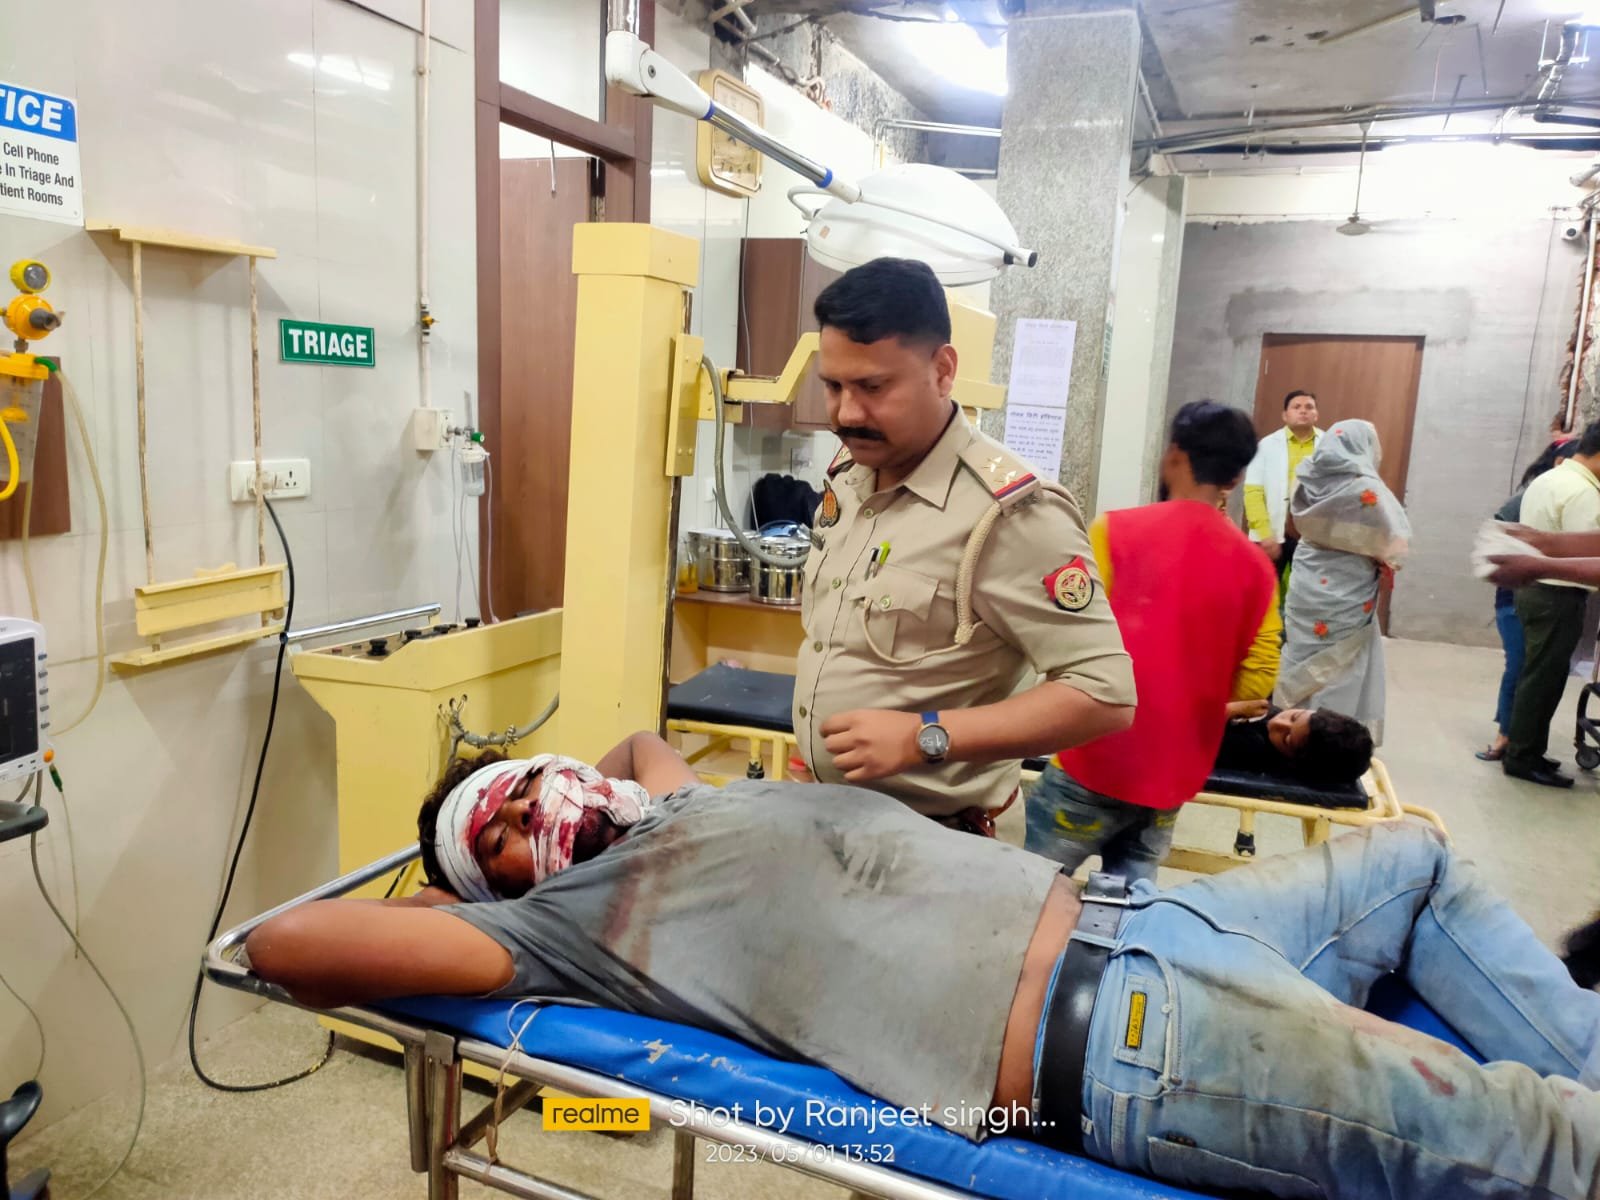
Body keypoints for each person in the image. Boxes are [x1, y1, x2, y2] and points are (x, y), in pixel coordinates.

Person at [246, 736, 1600, 1200]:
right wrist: (459, 884)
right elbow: (283, 946)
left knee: (1412, 858)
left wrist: (591, 780)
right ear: (491, 893)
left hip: (1158, 916)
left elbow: (639, 751)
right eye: (498, 840)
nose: (532, 819)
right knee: (1545, 1148)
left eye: (521, 790)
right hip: (1129, 1042)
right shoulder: (565, 928)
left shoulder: (673, 806)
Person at [793, 258, 1135, 834]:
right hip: (831, 819)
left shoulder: (1009, 514)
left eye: (873, 387)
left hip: (940, 837)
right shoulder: (851, 476)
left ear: (943, 370)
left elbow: (1105, 694)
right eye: (833, 386)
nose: (847, 413)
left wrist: (924, 735)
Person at [1024, 402, 1277, 882]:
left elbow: (1069, 636)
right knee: (1129, 907)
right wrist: (1192, 698)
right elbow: (1259, 678)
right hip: (1173, 776)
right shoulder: (1258, 569)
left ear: (1174, 455)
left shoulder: (1116, 531)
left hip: (1092, 759)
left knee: (1031, 891)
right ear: (1236, 477)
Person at [1275, 420, 1410, 745]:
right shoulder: (1366, 489)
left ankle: (1285, 723)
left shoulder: (1305, 476)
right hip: (1349, 580)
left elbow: (1294, 524)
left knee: (1301, 648)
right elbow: (1397, 542)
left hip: (1308, 573)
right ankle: (1328, 738)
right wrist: (1377, 553)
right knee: (1341, 662)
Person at [1498, 420, 1600, 788]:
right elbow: (1586, 555)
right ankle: (1522, 757)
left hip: (1537, 591)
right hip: (1557, 595)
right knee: (1542, 679)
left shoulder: (1550, 478)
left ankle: (1528, 750)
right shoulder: (1583, 493)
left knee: (1539, 674)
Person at [1476, 438, 1577, 763]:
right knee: (1519, 664)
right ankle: (1505, 735)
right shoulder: (1535, 494)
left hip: (1544, 593)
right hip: (1518, 596)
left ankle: (1519, 737)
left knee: (1534, 669)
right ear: (1560, 463)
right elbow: (1495, 538)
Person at [1243, 388, 1322, 584]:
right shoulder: (1266, 446)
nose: (1303, 411)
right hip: (1270, 534)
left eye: (1309, 407)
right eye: (1296, 407)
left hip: (1311, 536)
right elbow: (1253, 492)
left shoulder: (1328, 445)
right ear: (1285, 415)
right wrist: (1264, 534)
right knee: (1265, 590)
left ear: (1316, 415)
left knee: (1306, 590)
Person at [1215, 699, 1375, 787]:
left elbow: (1199, 736)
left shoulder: (1251, 748)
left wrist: (1229, 710)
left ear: (1293, 761)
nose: (1278, 723)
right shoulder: (1271, 717)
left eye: (1286, 738)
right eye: (1294, 717)